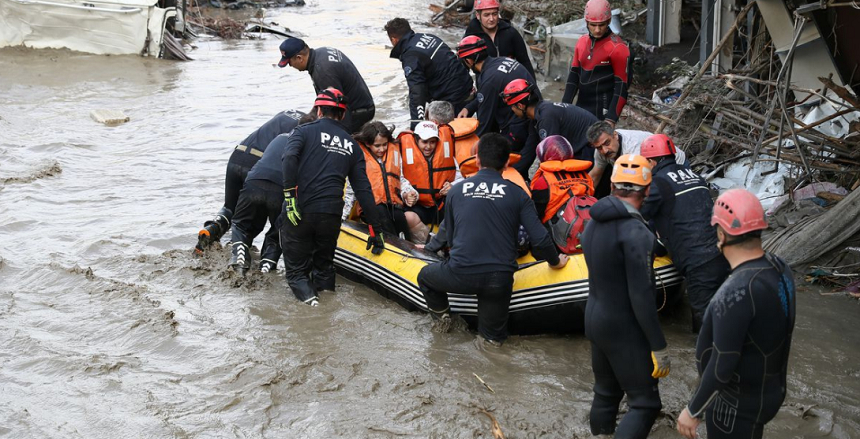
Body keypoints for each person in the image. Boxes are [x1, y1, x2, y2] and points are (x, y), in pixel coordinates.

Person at [417, 133, 568, 345]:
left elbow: (446, 232)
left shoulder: (456, 191)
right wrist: (555, 261)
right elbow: (540, 238)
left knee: (424, 276)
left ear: (477, 160)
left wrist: (428, 248)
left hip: (460, 273)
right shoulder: (518, 194)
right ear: (507, 163)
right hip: (499, 280)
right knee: (492, 343)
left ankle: (444, 320)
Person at [677, 188, 796, 439]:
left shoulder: (735, 292)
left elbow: (722, 362)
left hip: (735, 405)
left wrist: (693, 409)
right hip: (769, 391)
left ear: (721, 234)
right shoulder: (779, 267)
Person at [581, 154, 670, 438]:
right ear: (647, 188)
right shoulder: (635, 233)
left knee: (606, 394)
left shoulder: (593, 222)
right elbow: (642, 297)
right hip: (622, 326)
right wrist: (659, 347)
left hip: (594, 318)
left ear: (611, 184)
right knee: (645, 405)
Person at [280, 88, 385, 306]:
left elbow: (289, 158)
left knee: (297, 273)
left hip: (301, 210)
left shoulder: (303, 131)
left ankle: (315, 309)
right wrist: (376, 229)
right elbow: (363, 190)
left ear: (318, 110)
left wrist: (290, 198)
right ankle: (328, 305)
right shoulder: (352, 146)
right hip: (331, 215)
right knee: (324, 267)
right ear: (343, 114)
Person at [639, 134, 730, 333]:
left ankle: (708, 359)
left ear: (651, 162)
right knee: (726, 311)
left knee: (703, 323)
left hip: (699, 260)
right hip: (724, 252)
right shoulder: (695, 176)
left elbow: (637, 214)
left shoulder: (658, 184)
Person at [196, 110, 305, 253]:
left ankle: (212, 228)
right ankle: (243, 250)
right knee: (257, 214)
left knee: (230, 207)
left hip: (237, 155)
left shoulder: (288, 112)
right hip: (259, 164)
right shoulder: (309, 129)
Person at [228, 112, 317, 274]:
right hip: (280, 190)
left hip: (254, 182)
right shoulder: (309, 147)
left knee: (240, 224)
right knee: (277, 232)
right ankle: (266, 266)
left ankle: (239, 256)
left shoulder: (279, 137)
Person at [456, 36, 539, 177]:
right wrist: (469, 107)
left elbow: (484, 123)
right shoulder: (501, 61)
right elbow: (488, 94)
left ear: (469, 61)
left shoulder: (489, 79)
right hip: (533, 114)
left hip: (518, 125)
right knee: (521, 163)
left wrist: (473, 151)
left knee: (505, 168)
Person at [384, 18, 474, 127]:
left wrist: (416, 124)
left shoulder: (411, 56)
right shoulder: (428, 37)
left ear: (394, 40)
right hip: (467, 88)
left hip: (454, 100)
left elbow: (417, 92)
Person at [343, 121, 422, 241]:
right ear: (367, 143)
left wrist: (409, 192)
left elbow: (399, 179)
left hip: (392, 204)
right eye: (377, 146)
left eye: (384, 144)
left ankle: (409, 248)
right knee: (382, 216)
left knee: (400, 218)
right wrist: (343, 216)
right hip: (371, 207)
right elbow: (351, 190)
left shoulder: (393, 153)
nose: (382, 149)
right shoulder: (359, 157)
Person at [277, 37, 375, 133]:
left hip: (359, 112)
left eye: (289, 62)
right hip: (362, 105)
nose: (290, 65)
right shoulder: (321, 53)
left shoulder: (323, 72)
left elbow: (337, 109)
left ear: (299, 58)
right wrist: (309, 118)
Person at [501, 78, 599, 169]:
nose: (512, 110)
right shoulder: (539, 115)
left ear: (520, 105)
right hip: (584, 145)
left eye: (512, 107)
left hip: (591, 148)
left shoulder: (546, 117)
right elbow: (529, 151)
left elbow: (551, 157)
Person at [561, 0, 632, 125]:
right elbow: (573, 77)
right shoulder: (582, 42)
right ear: (586, 22)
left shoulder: (618, 47)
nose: (598, 30)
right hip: (581, 107)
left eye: (602, 25)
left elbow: (622, 86)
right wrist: (563, 107)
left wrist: (611, 119)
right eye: (593, 25)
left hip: (602, 112)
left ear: (609, 21)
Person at [586, 120, 686, 198]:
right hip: (649, 168)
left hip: (674, 162)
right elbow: (595, 175)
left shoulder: (633, 149)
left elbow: (639, 184)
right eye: (599, 147)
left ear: (615, 135)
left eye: (607, 143)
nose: (604, 150)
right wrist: (582, 195)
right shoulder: (601, 151)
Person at [399, 121, 458, 229]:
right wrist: (407, 193)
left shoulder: (448, 157)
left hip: (441, 204)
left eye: (432, 142)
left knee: (459, 210)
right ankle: (424, 242)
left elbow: (460, 178)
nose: (428, 146)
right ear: (416, 140)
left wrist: (452, 186)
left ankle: (447, 242)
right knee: (408, 217)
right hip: (418, 205)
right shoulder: (404, 157)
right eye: (424, 142)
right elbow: (400, 179)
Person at [529, 135, 594, 225]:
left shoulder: (543, 182)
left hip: (557, 230)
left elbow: (535, 214)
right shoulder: (585, 176)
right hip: (587, 224)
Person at [464, 0, 536, 79]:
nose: (491, 19)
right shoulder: (471, 36)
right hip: (486, 84)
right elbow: (463, 66)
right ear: (478, 15)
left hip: (510, 82)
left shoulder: (510, 33)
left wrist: (532, 87)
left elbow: (525, 62)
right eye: (486, 15)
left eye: (494, 14)